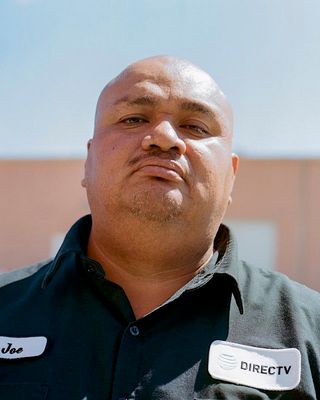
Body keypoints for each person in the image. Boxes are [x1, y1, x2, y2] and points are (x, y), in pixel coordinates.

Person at [0, 56, 319, 400]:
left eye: (196, 127)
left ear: (231, 176)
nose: (164, 138)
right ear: (88, 161)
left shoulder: (311, 330)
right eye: (134, 118)